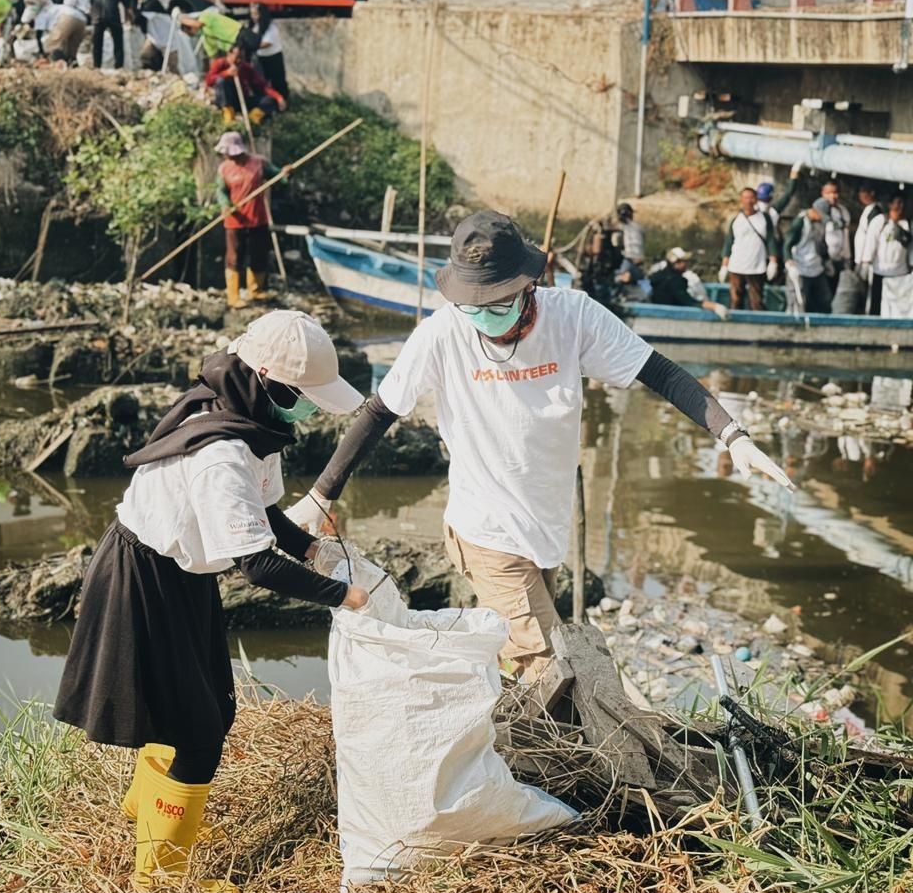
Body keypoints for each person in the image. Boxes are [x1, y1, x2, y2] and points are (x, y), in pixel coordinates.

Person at [285, 210, 794, 682]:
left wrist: (732, 434)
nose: (483, 316)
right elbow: (380, 412)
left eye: (498, 303)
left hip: (546, 527)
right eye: (472, 306)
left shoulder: (573, 317)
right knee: (551, 668)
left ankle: (509, 744)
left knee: (526, 662)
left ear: (530, 286)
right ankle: (555, 768)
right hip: (485, 529)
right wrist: (321, 495)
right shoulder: (442, 333)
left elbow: (656, 370)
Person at [54, 311, 366, 893]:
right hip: (143, 576)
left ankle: (150, 819)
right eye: (304, 398)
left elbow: (264, 513)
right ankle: (160, 879)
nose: (309, 411)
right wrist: (341, 596)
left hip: (180, 576)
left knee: (202, 714)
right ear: (270, 381)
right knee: (198, 735)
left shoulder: (249, 417)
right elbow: (254, 562)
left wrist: (313, 547)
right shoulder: (223, 449)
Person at [215, 131, 284, 307]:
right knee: (234, 257)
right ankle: (233, 296)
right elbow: (221, 191)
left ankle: (256, 290)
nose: (229, 156)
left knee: (258, 255)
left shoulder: (258, 163)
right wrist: (226, 205)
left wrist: (285, 173)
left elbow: (278, 177)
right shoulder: (224, 169)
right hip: (235, 220)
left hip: (257, 218)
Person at [861, 194, 913, 317]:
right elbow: (870, 244)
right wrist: (865, 264)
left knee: (898, 307)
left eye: (902, 203)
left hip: (900, 273)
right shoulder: (880, 221)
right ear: (890, 205)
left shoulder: (909, 224)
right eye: (897, 203)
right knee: (876, 307)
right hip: (880, 272)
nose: (900, 206)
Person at [720, 187, 778, 311]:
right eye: (746, 198)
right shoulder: (736, 220)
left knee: (756, 301)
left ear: (756, 199)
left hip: (756, 266)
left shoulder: (764, 219)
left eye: (751, 197)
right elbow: (729, 243)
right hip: (736, 265)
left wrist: (773, 261)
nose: (749, 201)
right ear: (741, 200)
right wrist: (724, 265)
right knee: (736, 299)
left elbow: (771, 240)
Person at [205, 41, 285, 125]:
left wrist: (278, 97)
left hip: (241, 100)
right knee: (222, 81)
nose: (239, 60)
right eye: (237, 57)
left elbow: (262, 86)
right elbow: (209, 80)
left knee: (269, 100)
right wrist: (226, 73)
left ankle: (252, 118)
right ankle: (229, 116)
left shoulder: (245, 67)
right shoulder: (220, 63)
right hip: (225, 100)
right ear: (229, 54)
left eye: (241, 58)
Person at [648, 246, 729, 319]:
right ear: (675, 263)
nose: (686, 264)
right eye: (683, 261)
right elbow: (688, 302)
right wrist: (715, 307)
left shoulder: (659, 276)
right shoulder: (674, 281)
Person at [782, 199, 833, 314]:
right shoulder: (800, 223)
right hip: (800, 268)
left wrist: (826, 260)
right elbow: (787, 244)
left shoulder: (820, 224)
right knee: (798, 302)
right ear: (815, 211)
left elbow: (821, 244)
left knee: (825, 299)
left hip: (816, 267)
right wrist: (789, 264)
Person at [177, 7, 255, 60]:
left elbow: (198, 24)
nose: (190, 35)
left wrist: (180, 18)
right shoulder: (205, 37)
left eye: (188, 32)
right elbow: (213, 57)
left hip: (241, 36)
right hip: (234, 48)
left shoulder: (205, 16)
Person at [248, 1, 285, 100]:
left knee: (277, 81)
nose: (253, 17)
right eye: (252, 14)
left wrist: (252, 46)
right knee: (261, 81)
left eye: (256, 14)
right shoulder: (254, 28)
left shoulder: (271, 28)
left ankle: (281, 99)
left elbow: (267, 43)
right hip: (261, 58)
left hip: (273, 57)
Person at [819, 179, 852, 289]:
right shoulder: (819, 212)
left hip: (840, 259)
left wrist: (847, 258)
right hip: (823, 260)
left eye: (835, 193)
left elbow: (845, 235)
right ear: (823, 193)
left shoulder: (843, 211)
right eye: (829, 193)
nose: (833, 196)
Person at [90, 0, 125, 68]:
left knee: (97, 45)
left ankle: (96, 66)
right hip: (113, 16)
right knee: (118, 42)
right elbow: (125, 4)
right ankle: (119, 66)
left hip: (97, 18)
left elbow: (91, 3)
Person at [852, 182, 883, 281]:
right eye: (860, 192)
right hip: (860, 257)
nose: (861, 195)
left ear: (872, 193)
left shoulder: (875, 211)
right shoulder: (869, 209)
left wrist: (865, 262)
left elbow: (871, 238)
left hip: (867, 259)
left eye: (864, 192)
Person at [613, 202, 645, 285]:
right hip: (639, 260)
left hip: (629, 259)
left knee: (617, 280)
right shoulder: (638, 227)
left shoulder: (621, 227)